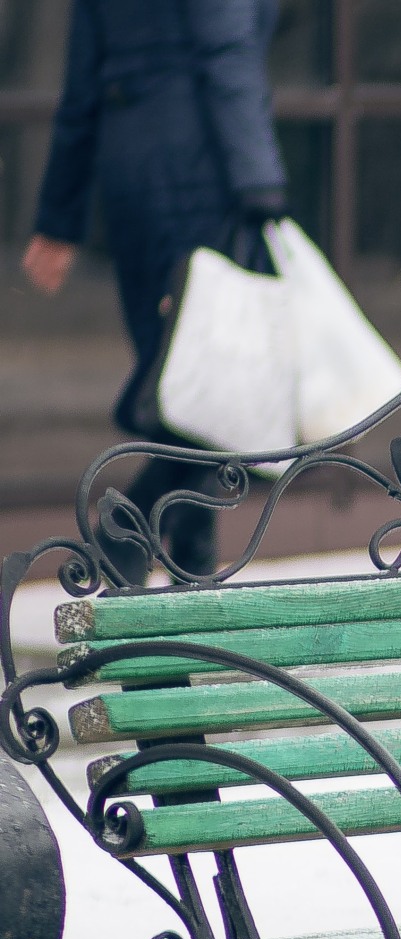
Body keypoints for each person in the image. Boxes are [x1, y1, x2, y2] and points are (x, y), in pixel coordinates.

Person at [20, 0, 288, 582]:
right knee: (209, 385)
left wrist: (59, 220)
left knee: (189, 386)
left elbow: (83, 88)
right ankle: (130, 525)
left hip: (133, 173)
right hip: (201, 172)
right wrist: (260, 183)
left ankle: (187, 562)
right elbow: (226, 50)